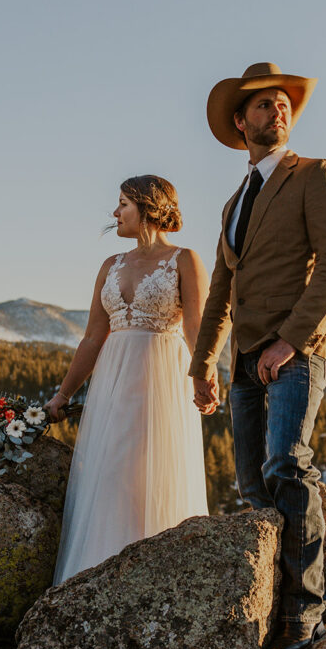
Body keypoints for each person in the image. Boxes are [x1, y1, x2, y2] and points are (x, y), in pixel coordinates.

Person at [190, 62, 326, 649]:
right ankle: (275, 597)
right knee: (255, 487)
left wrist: (291, 339)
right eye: (263, 105)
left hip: (297, 350)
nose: (277, 111)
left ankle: (304, 612)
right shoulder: (234, 202)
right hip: (242, 363)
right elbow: (217, 295)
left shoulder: (315, 175)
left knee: (287, 464)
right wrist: (203, 363)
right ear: (241, 122)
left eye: (283, 104)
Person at [47, 174, 210, 583]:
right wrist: (62, 396)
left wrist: (203, 375)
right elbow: (91, 338)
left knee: (152, 471)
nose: (115, 212)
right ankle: (95, 576)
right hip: (111, 382)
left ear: (147, 205)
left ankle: (156, 579)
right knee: (110, 471)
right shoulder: (110, 266)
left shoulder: (185, 260)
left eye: (123, 203)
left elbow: (196, 328)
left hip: (162, 378)